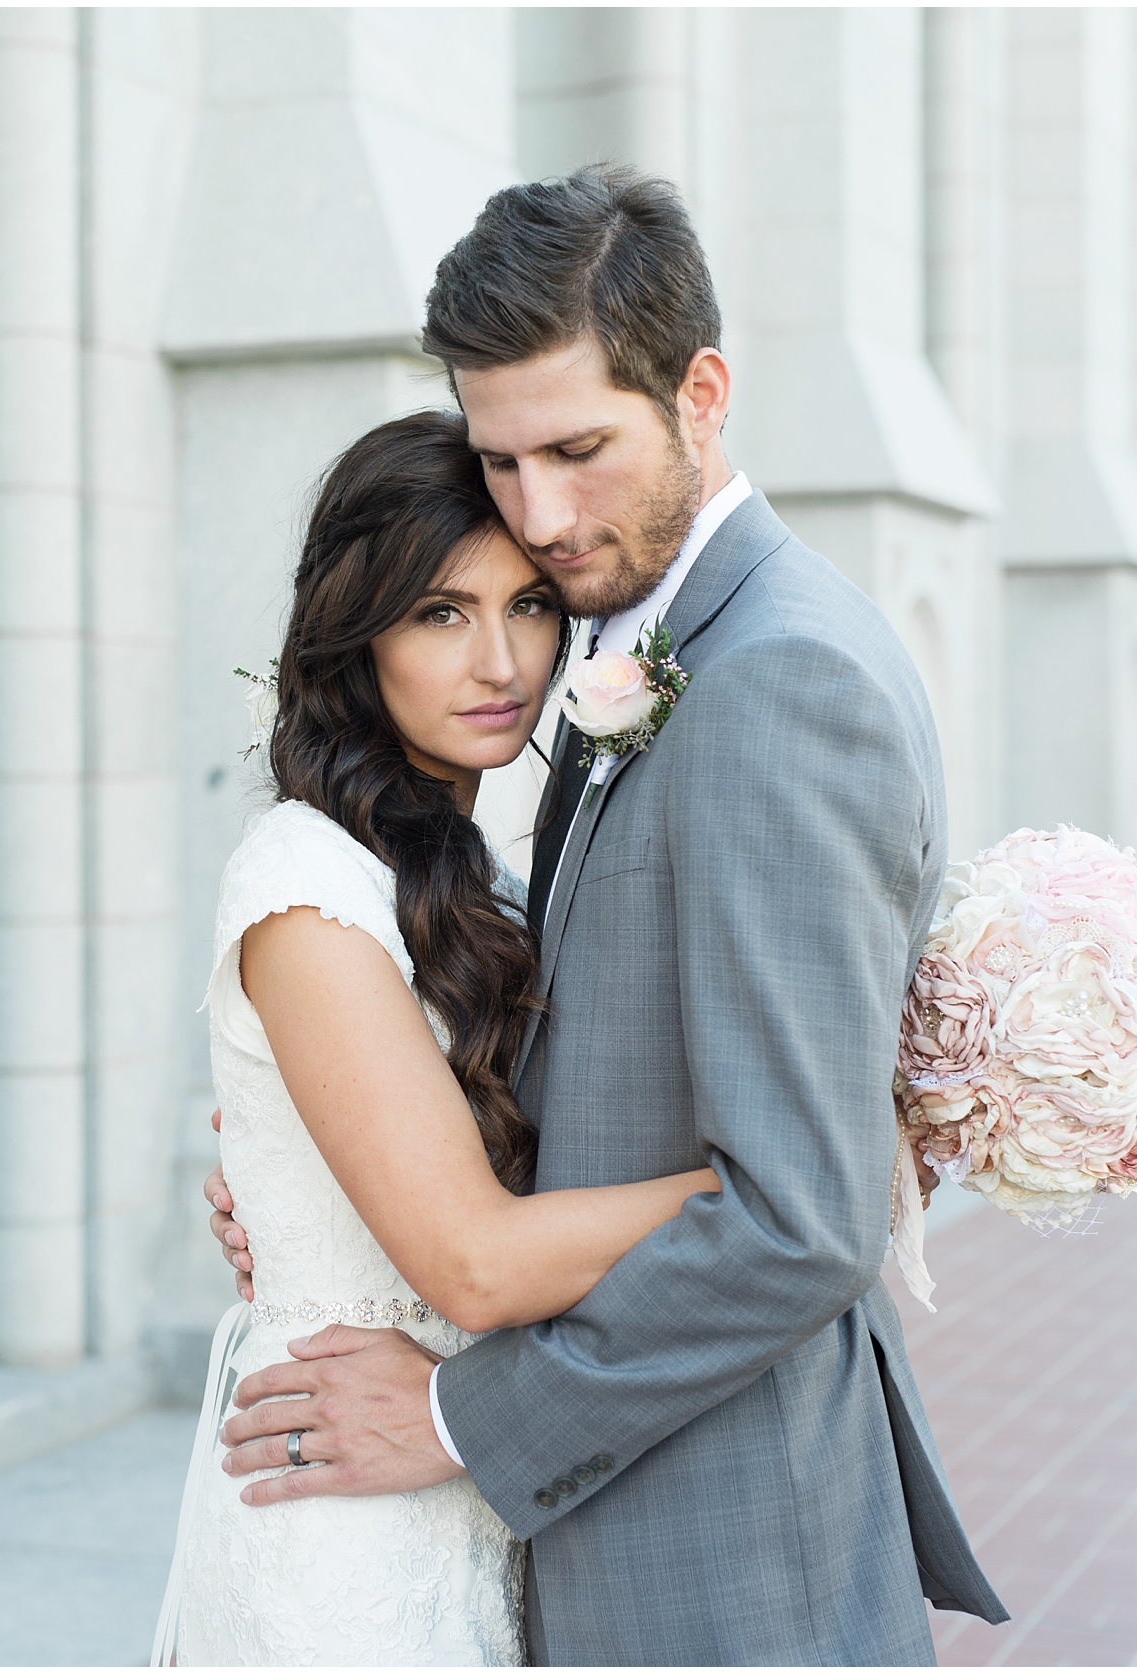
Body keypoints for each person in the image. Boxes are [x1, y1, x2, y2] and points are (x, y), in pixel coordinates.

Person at [203, 164, 1009, 1664]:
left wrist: (455, 1404)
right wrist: (321, 1175)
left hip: (720, 1543)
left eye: (578, 449)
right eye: (505, 463)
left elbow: (795, 1217)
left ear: (702, 392)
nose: (544, 517)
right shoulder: (639, 646)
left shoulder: (782, 681)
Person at [153, 410, 724, 1666]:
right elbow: (471, 1263)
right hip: (339, 1524)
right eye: (438, 613)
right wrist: (774, 1188)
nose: (498, 662)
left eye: (525, 604)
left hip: (457, 1478)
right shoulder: (305, 883)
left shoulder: (479, 887)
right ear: (356, 637)